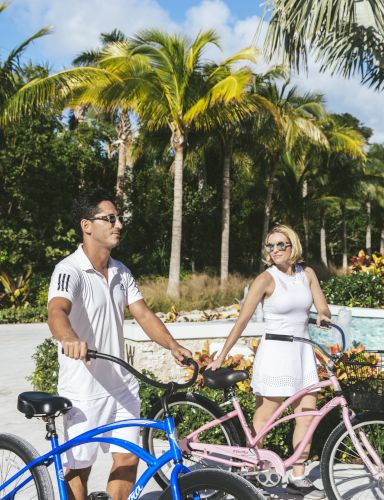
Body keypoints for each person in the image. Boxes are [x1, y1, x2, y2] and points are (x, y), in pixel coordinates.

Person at [47, 189, 191, 500]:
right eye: (110, 218)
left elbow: (143, 313)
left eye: (119, 218)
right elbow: (56, 310)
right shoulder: (69, 269)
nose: (119, 224)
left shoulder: (121, 271)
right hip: (84, 387)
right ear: (87, 225)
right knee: (78, 467)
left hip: (121, 385)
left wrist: (172, 345)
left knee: (128, 457)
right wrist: (69, 338)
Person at [206, 225, 331, 499]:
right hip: (276, 354)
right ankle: (252, 468)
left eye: (280, 245)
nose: (274, 251)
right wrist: (222, 355)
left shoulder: (306, 274)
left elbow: (322, 306)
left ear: (292, 246)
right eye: (270, 246)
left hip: (303, 353)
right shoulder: (265, 279)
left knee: (307, 416)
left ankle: (298, 477)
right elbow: (242, 320)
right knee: (265, 418)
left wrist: (323, 315)